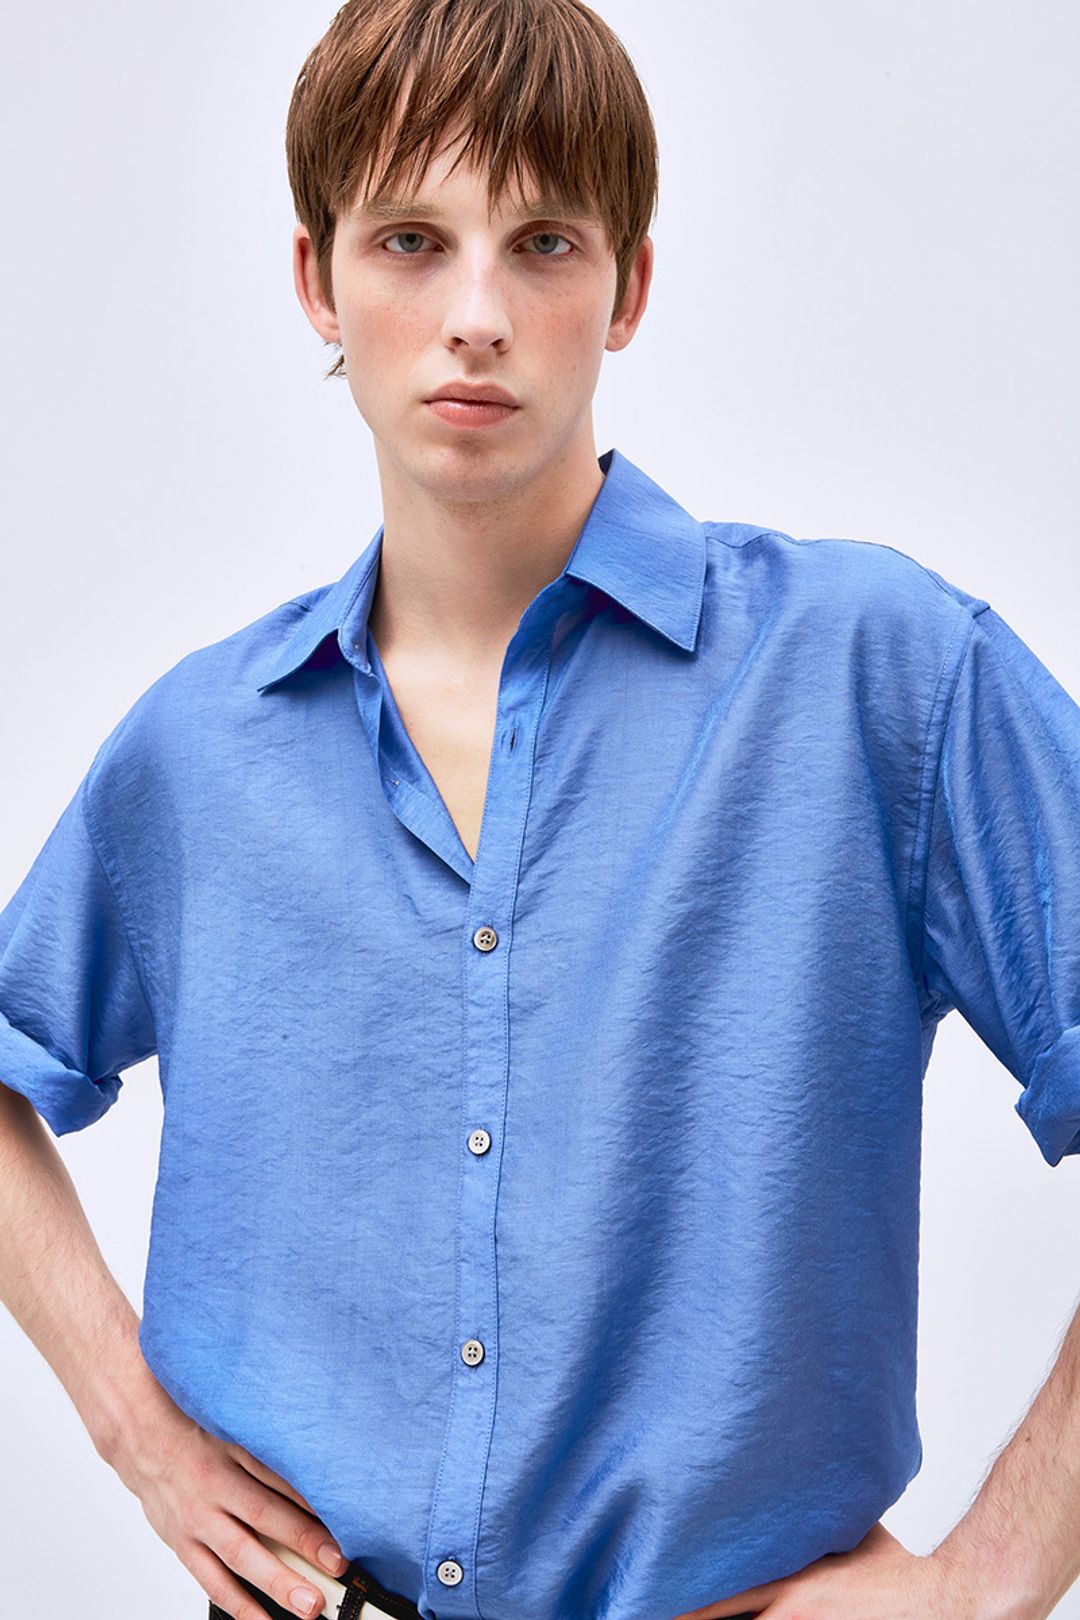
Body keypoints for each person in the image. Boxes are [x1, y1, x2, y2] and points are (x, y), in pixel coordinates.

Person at [2, 1, 1080, 1618]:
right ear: (318, 280)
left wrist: (989, 1585)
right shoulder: (198, 754)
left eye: (545, 244)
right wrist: (131, 1429)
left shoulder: (881, 677)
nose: (477, 318)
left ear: (628, 285)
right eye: (412, 242)